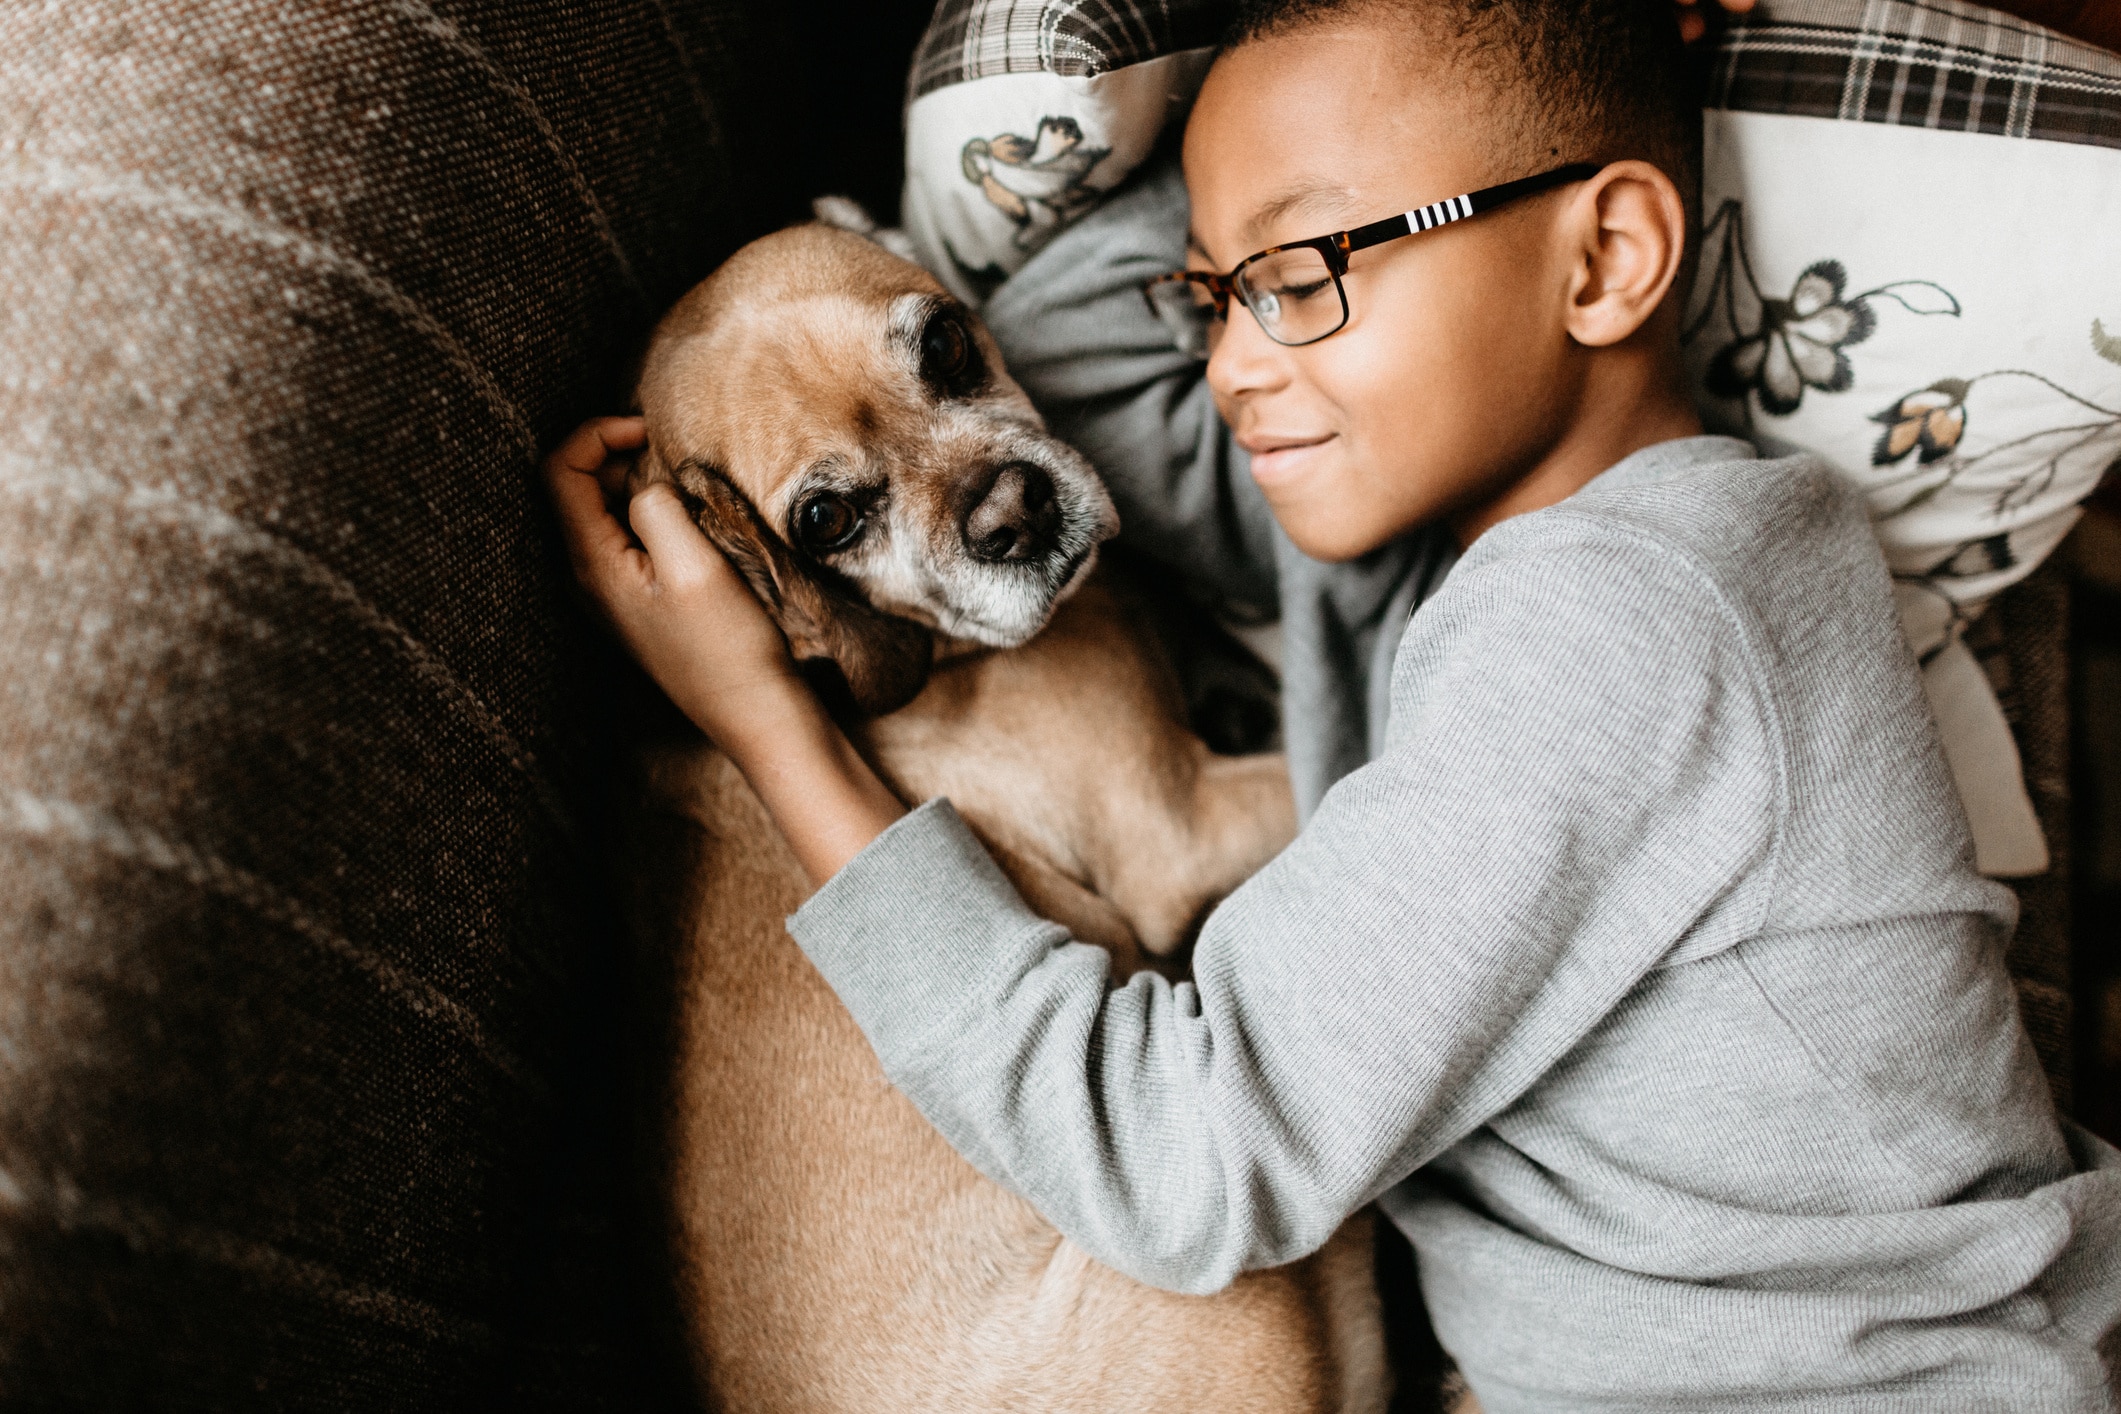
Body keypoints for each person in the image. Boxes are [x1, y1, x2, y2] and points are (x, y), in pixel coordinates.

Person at [548, 0, 2121, 1405]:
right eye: (1213, 289)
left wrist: (765, 722)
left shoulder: (1615, 629)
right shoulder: (1474, 558)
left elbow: (1183, 1160)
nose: (1228, 362)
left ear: (1608, 259)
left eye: (1299, 278)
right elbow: (1084, 321)